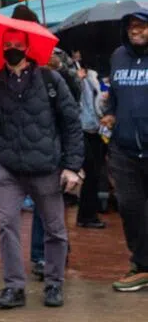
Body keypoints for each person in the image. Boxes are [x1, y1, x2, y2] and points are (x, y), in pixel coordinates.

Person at [0, 26, 83, 309]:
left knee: (55, 228)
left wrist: (72, 166)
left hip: (45, 166)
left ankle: (54, 282)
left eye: (16, 44)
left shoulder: (49, 79)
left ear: (27, 48)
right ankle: (13, 286)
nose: (11, 48)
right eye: (6, 44)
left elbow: (71, 123)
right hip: (9, 167)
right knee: (6, 224)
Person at [99, 8, 148, 292]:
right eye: (131, 27)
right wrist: (110, 114)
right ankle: (141, 265)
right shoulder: (118, 57)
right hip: (124, 149)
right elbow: (114, 99)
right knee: (130, 208)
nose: (136, 31)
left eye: (141, 26)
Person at [72, 52, 107, 230]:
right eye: (74, 52)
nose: (78, 55)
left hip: (96, 127)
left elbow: (98, 99)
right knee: (90, 170)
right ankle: (86, 215)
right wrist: (76, 80)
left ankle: (88, 213)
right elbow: (71, 98)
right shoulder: (70, 73)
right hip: (80, 128)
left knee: (95, 172)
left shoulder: (93, 74)